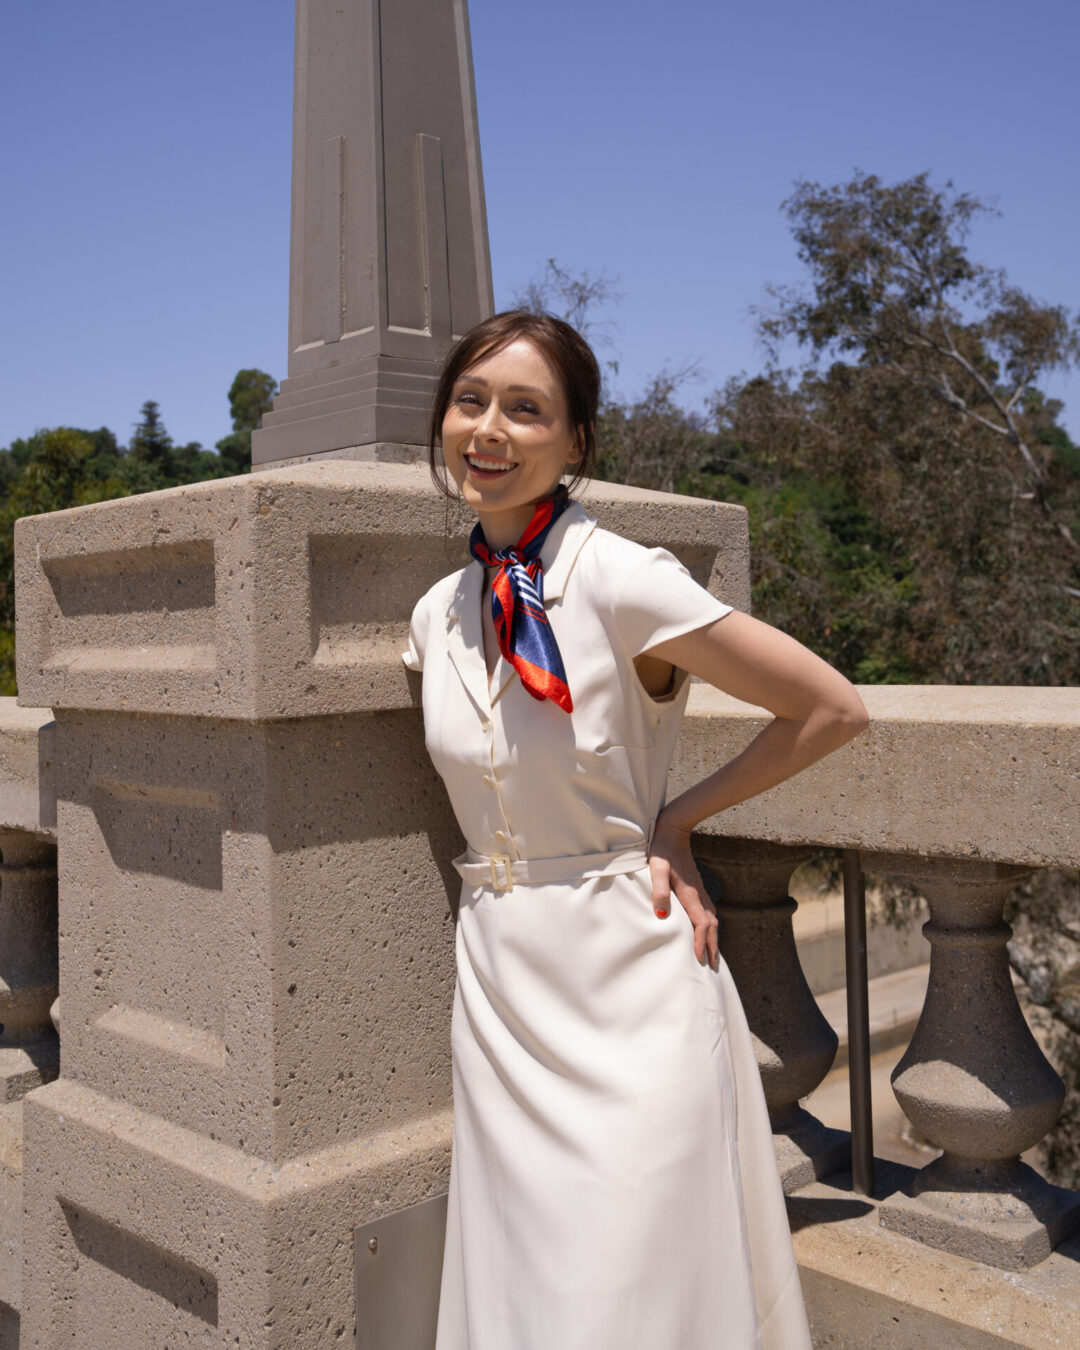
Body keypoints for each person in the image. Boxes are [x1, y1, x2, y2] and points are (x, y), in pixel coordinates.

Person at [403, 311, 869, 1350]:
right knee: (527, 1303)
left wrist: (675, 820)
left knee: (628, 1306)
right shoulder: (436, 614)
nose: (489, 429)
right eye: (470, 401)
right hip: (499, 989)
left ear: (576, 444)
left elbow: (830, 708)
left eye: (526, 410)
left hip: (632, 981)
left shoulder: (621, 575)